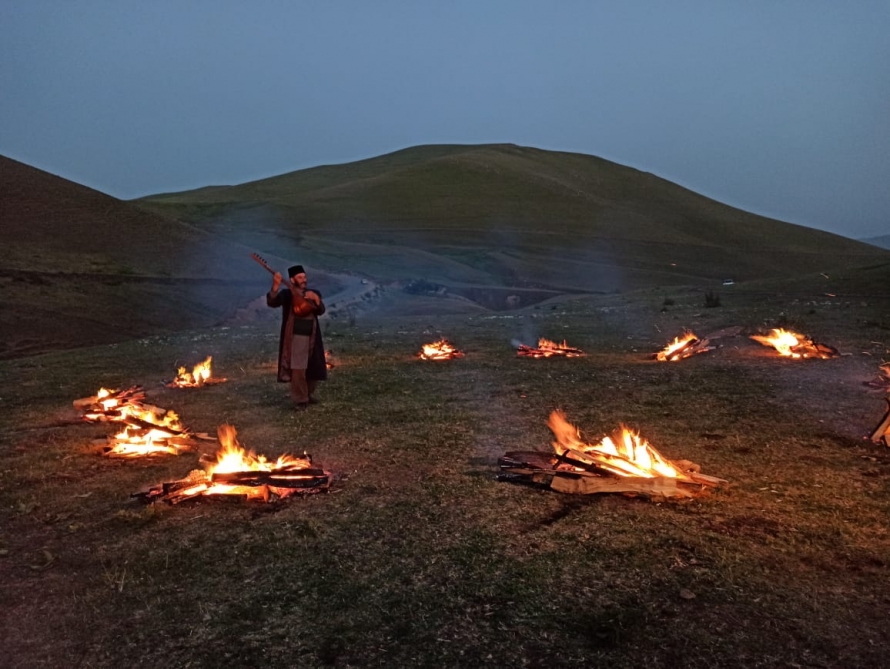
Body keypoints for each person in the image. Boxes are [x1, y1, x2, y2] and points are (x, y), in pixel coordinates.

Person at [267, 264, 327, 409]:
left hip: (312, 336)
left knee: (313, 368)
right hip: (296, 337)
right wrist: (275, 286)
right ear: (292, 280)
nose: (303, 280)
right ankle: (300, 400)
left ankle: (308, 394)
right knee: (298, 369)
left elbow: (320, 310)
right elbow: (272, 302)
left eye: (304, 277)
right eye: (300, 277)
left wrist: (316, 300)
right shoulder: (287, 294)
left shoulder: (313, 292)